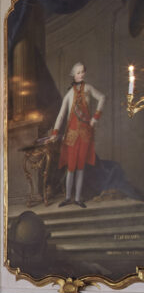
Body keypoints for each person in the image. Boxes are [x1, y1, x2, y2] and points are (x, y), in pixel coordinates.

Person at [49, 62, 106, 208]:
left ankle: (78, 198)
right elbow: (61, 115)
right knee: (71, 167)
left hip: (85, 134)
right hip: (71, 135)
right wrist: (55, 132)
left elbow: (102, 97)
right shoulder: (69, 94)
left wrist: (95, 117)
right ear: (73, 75)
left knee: (81, 167)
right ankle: (68, 197)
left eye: (82, 72)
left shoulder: (89, 88)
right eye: (78, 72)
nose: (81, 74)